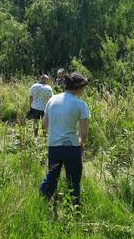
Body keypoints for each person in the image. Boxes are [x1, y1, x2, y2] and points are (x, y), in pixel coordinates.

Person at [40, 73, 89, 206]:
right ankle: (74, 210)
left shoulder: (52, 100)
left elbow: (44, 125)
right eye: (84, 89)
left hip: (53, 146)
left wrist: (54, 134)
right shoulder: (80, 104)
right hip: (71, 147)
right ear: (79, 87)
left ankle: (42, 201)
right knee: (73, 182)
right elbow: (84, 133)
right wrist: (82, 143)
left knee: (52, 178)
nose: (83, 92)